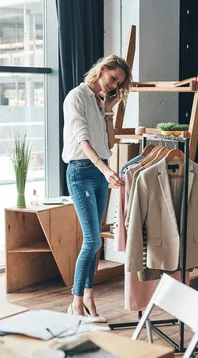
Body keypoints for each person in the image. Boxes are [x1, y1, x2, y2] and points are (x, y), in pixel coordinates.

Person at [62, 55, 132, 321]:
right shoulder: (76, 97)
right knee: (91, 240)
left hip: (100, 171)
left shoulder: (98, 101)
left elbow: (110, 144)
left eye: (119, 83)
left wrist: (108, 111)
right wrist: (105, 170)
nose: (114, 85)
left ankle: (89, 298)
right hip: (81, 172)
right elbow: (83, 141)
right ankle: (76, 303)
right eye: (113, 78)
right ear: (102, 70)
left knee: (95, 243)